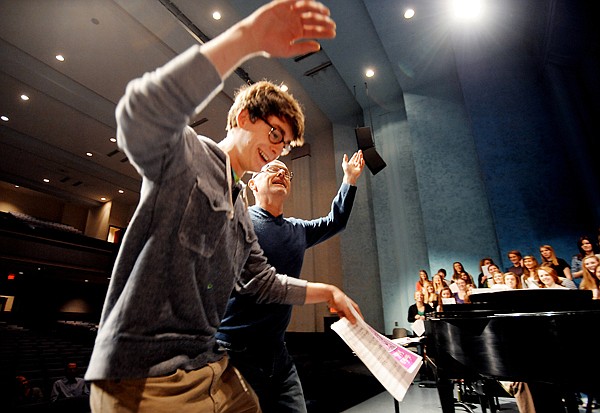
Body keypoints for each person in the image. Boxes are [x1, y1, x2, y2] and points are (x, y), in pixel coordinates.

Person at [84, 3, 362, 413]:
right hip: (144, 375)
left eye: (285, 146)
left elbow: (264, 282)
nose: (278, 151)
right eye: (275, 134)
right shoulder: (187, 157)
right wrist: (246, 40)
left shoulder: (240, 214)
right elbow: (140, 114)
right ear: (244, 117)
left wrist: (329, 291)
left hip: (205, 367)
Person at [216, 152, 364, 413]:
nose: (282, 174)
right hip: (235, 352)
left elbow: (335, 221)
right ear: (254, 183)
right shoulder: (240, 222)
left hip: (277, 352)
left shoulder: (297, 229)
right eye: (273, 168)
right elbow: (261, 283)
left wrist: (349, 179)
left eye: (287, 172)